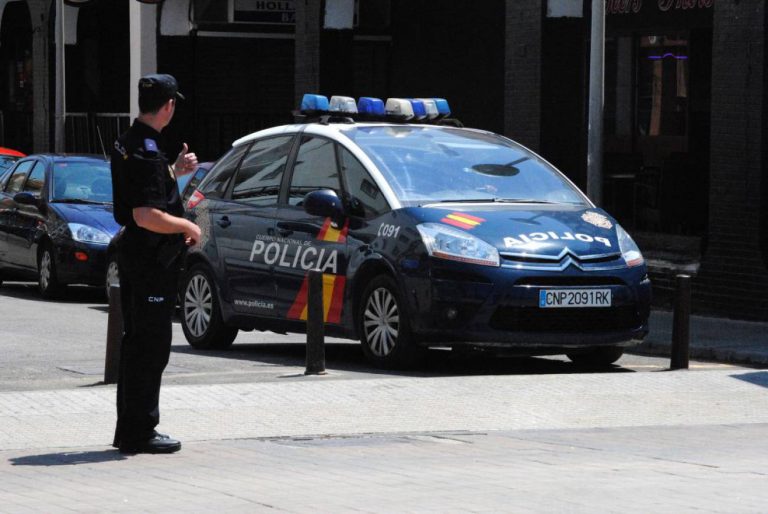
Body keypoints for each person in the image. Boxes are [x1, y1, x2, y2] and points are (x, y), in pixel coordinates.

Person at [110, 73, 201, 454]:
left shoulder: (131, 141)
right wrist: (188, 227)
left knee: (136, 343)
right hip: (150, 261)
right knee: (150, 346)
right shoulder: (147, 150)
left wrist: (175, 171)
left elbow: (143, 188)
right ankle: (140, 431)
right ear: (168, 106)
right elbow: (146, 214)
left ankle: (129, 429)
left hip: (136, 255)